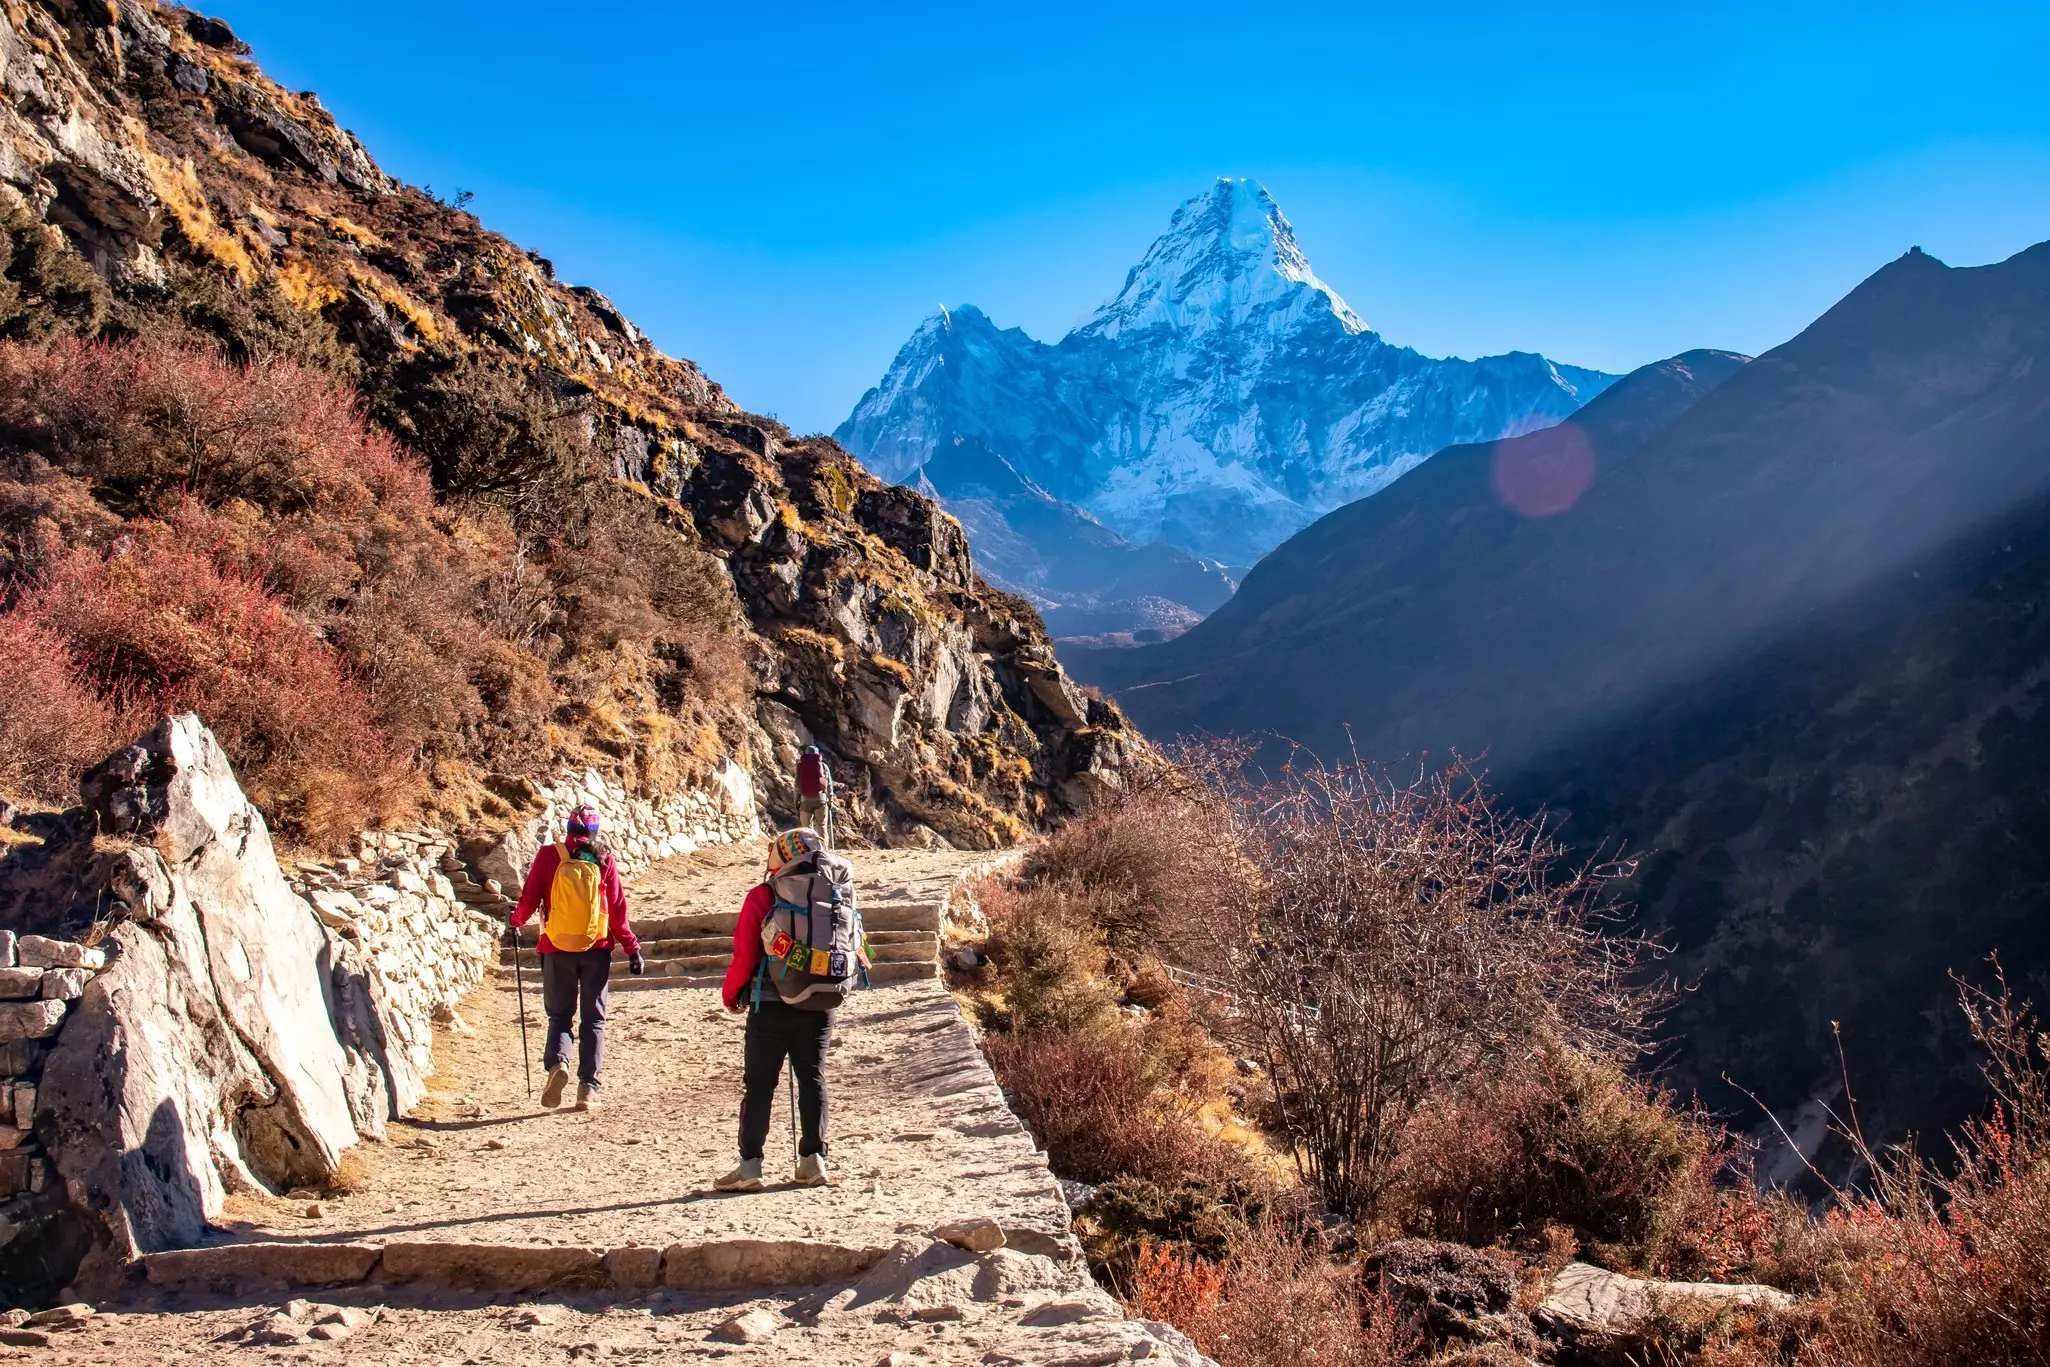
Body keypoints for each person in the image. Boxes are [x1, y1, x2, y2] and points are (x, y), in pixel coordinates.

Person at [715, 827, 859, 1191]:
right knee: (812, 1077)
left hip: (771, 1003)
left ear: (782, 856)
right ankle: (813, 1160)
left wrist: (732, 995)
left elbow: (745, 953)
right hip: (823, 999)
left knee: (760, 1084)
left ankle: (750, 1167)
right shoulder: (839, 891)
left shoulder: (765, 895)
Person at [507, 804, 645, 1110]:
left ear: (568, 830)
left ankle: (559, 1064)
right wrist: (632, 948)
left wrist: (515, 921)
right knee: (594, 1019)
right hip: (596, 949)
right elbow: (618, 910)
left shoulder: (548, 856)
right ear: (594, 830)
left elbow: (529, 898)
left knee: (559, 1015)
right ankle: (587, 1089)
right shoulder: (604, 857)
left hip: (556, 948)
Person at [796, 746, 832, 845]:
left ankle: (809, 849)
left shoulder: (800, 766)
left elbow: (797, 786)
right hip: (821, 799)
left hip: (805, 800)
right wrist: (830, 800)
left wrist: (796, 802)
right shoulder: (823, 766)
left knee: (806, 829)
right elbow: (828, 785)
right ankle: (824, 849)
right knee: (822, 826)